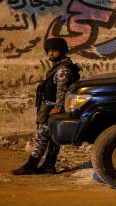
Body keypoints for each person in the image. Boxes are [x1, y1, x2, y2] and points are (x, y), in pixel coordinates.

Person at [12, 37, 78, 175]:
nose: (50, 54)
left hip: (53, 108)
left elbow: (62, 89)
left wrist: (58, 107)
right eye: (49, 51)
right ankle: (49, 165)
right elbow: (54, 85)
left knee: (42, 136)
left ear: (62, 51)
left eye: (54, 51)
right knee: (53, 137)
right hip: (53, 107)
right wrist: (43, 84)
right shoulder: (59, 67)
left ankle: (31, 165)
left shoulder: (62, 70)